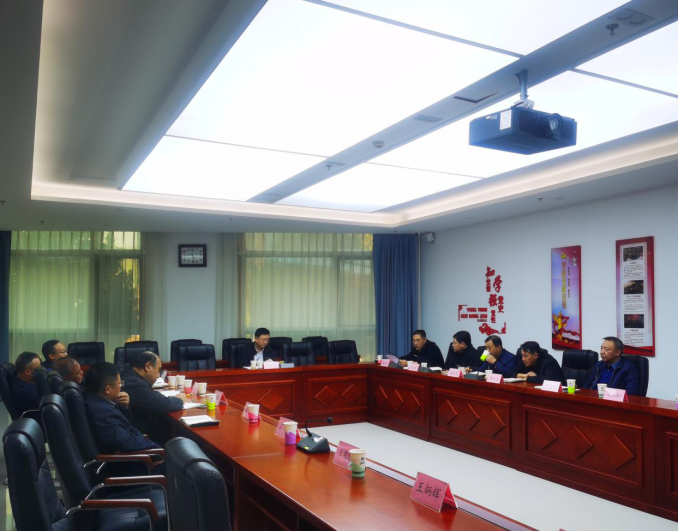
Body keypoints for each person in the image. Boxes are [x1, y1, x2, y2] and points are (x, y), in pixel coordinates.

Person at [84, 362, 159, 453]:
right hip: (128, 459)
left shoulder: (96, 400)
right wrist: (156, 448)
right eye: (120, 383)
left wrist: (124, 407)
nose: (121, 387)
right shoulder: (102, 412)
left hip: (133, 444)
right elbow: (124, 442)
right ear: (108, 389)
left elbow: (124, 427)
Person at [121, 351, 186, 442]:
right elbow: (162, 405)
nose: (158, 375)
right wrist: (180, 400)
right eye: (158, 370)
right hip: (137, 436)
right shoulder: (133, 383)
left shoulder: (129, 375)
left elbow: (151, 397)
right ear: (148, 366)